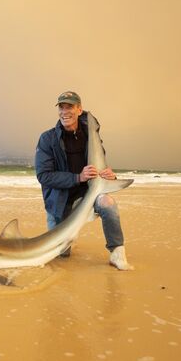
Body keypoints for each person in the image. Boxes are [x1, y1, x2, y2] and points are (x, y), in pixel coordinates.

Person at [34, 91, 133, 270]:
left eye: (69, 107)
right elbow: (43, 176)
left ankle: (117, 253)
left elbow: (101, 167)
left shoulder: (91, 138)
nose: (65, 111)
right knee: (61, 254)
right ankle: (70, 233)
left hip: (88, 196)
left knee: (108, 202)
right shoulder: (47, 139)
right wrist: (77, 177)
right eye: (61, 107)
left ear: (79, 109)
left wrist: (110, 176)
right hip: (60, 201)